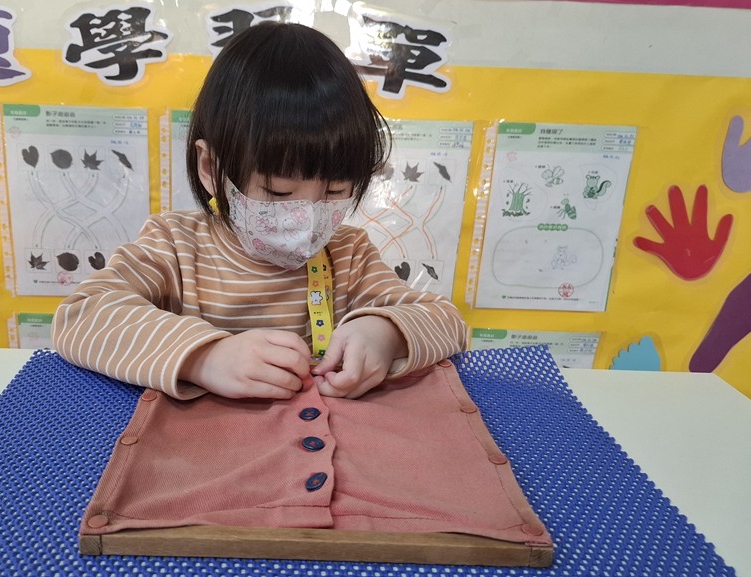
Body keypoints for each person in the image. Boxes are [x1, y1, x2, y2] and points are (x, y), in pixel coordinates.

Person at [52, 21, 468, 402]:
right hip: (204, 450)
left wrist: (387, 333)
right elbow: (80, 315)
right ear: (211, 168)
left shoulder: (349, 255)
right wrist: (205, 357)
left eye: (335, 191)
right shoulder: (174, 246)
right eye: (279, 191)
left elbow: (448, 322)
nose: (307, 218)